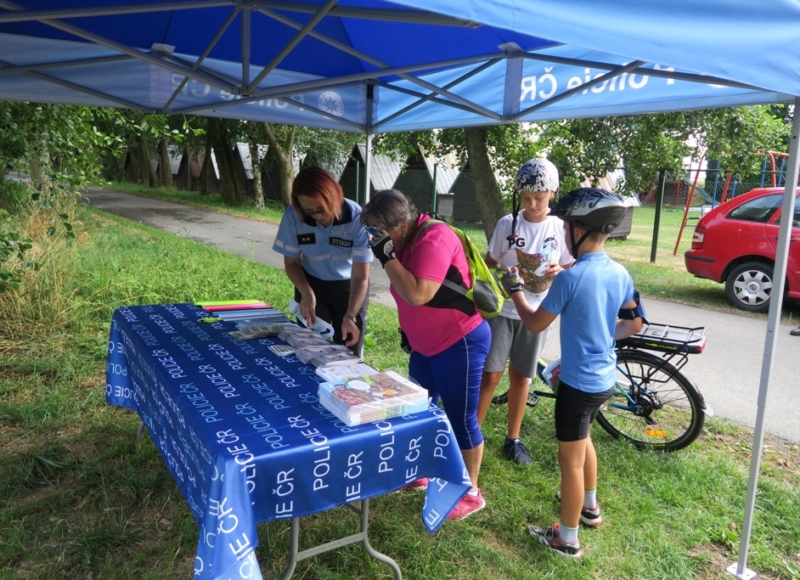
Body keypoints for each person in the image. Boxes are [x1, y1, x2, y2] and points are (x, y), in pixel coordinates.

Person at [500, 188, 645, 557]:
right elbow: (635, 323)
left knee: (570, 463)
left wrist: (515, 288)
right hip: (603, 380)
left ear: (579, 230)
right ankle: (590, 508)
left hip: (578, 385)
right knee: (584, 441)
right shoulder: (620, 272)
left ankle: (566, 538)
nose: (564, 234)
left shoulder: (570, 278)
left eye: (567, 228)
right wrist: (601, 334)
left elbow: (532, 324)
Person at [362, 189, 491, 521]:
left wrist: (386, 256)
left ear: (401, 225)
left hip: (459, 340)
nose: (374, 238)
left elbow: (419, 293)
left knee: (461, 419)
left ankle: (471, 492)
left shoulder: (434, 237)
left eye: (378, 230)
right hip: (425, 346)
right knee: (418, 410)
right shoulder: (400, 243)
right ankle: (419, 471)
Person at [476, 158, 573, 465]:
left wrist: (562, 269)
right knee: (490, 374)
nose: (532, 204)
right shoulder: (508, 224)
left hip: (538, 313)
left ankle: (513, 438)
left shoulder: (560, 228)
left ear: (553, 193)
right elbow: (489, 262)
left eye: (539, 199)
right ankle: (471, 432)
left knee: (521, 377)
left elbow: (571, 265)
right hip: (503, 311)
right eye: (526, 198)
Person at [272, 166, 372, 355]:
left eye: (321, 209)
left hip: (350, 287)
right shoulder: (294, 216)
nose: (317, 216)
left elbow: (361, 278)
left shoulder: (357, 217)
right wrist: (306, 293)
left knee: (348, 351)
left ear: (334, 196)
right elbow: (292, 264)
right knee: (310, 348)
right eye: (310, 211)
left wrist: (350, 315)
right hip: (311, 284)